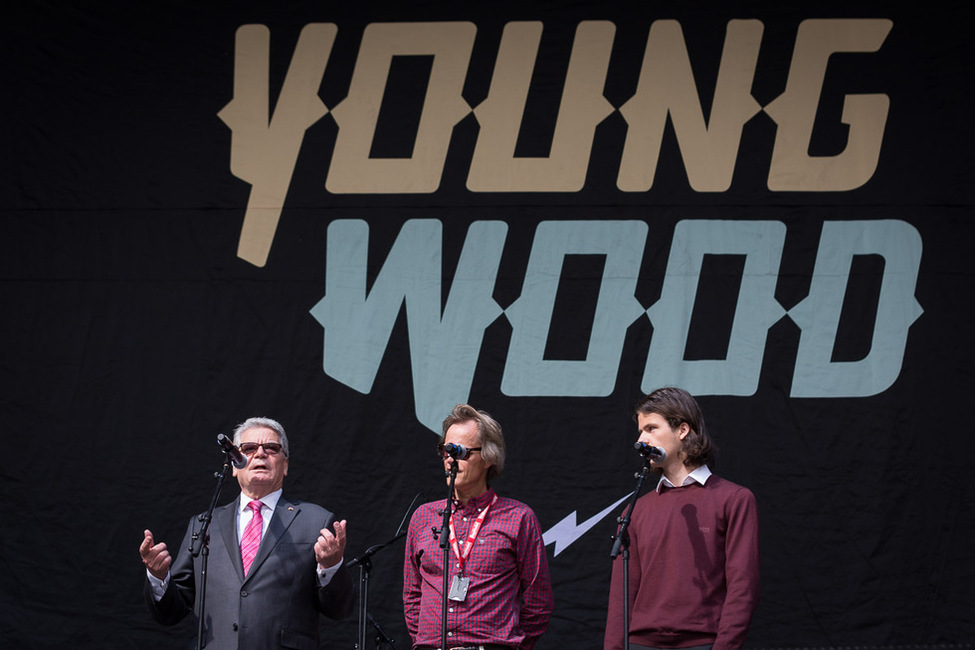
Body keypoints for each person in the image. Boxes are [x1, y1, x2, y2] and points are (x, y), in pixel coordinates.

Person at [139, 417, 355, 649]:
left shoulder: (316, 521)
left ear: (285, 465)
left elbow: (339, 610)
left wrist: (331, 567)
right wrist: (158, 577)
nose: (260, 454)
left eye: (271, 448)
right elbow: (172, 612)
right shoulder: (204, 524)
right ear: (234, 465)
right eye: (249, 448)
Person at [604, 387, 760, 650]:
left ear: (682, 430)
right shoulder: (636, 510)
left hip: (702, 643)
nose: (642, 439)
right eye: (641, 431)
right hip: (642, 644)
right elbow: (622, 594)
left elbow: (743, 588)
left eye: (651, 428)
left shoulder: (733, 499)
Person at [403, 404, 553, 650]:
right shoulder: (423, 516)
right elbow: (411, 596)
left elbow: (539, 602)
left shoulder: (518, 517)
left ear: (488, 457)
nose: (451, 459)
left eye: (460, 451)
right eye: (445, 450)